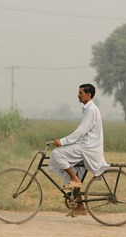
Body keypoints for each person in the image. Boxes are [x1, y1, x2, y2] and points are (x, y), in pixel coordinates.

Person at [48, 83, 109, 216]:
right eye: (79, 92)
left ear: (89, 95)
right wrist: (65, 142)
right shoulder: (88, 109)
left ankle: (75, 179)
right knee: (71, 169)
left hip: (88, 147)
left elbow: (81, 131)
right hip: (85, 145)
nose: (78, 95)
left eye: (81, 93)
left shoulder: (92, 109)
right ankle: (80, 206)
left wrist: (62, 141)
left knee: (56, 154)